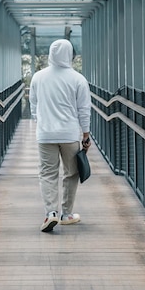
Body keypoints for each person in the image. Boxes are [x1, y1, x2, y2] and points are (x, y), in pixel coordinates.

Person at [29, 39, 91, 233]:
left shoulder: (38, 77)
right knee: (71, 173)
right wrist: (86, 135)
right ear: (70, 54)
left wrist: (41, 123)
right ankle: (66, 214)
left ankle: (51, 213)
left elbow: (33, 105)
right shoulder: (78, 79)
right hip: (69, 134)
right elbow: (84, 110)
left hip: (45, 134)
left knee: (48, 173)